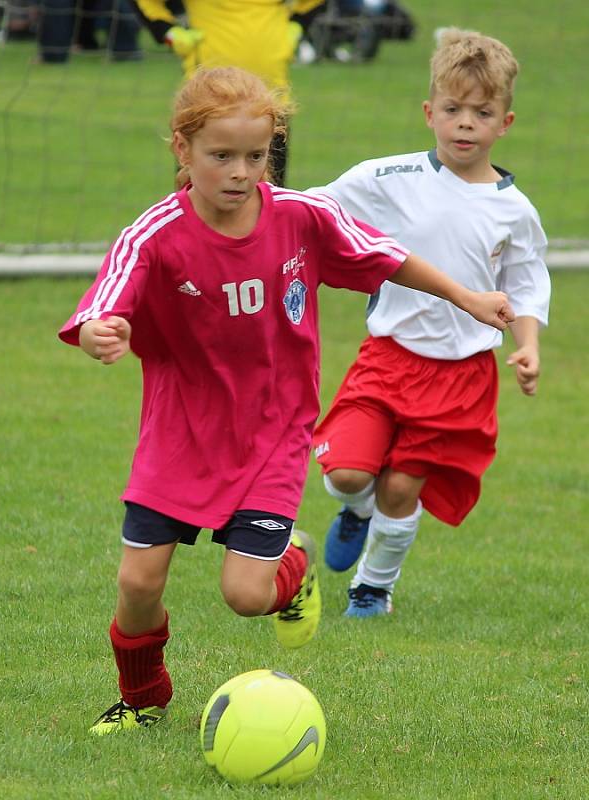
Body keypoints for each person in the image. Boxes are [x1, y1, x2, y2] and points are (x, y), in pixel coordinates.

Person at [58, 64, 514, 735]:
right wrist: (101, 330)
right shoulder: (156, 233)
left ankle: (292, 570)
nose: (241, 172)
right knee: (138, 583)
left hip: (273, 432)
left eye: (256, 155)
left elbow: (388, 258)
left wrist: (469, 297)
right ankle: (144, 699)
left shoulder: (303, 216)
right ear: (182, 150)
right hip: (178, 434)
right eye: (221, 156)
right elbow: (106, 301)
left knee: (246, 596)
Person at [311, 27, 551, 618]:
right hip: (387, 357)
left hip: (459, 375)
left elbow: (526, 282)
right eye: (453, 109)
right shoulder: (388, 178)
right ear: (429, 112)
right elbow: (316, 206)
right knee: (346, 473)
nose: (466, 123)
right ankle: (355, 511)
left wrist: (527, 345)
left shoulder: (513, 210)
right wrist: (250, 205)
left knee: (401, 487)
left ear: (505, 123)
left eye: (482, 112)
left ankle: (373, 588)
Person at [129, 0, 324, 186]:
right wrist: (168, 32)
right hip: (205, 106)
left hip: (270, 104)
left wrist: (297, 25)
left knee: (270, 202)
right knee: (197, 201)